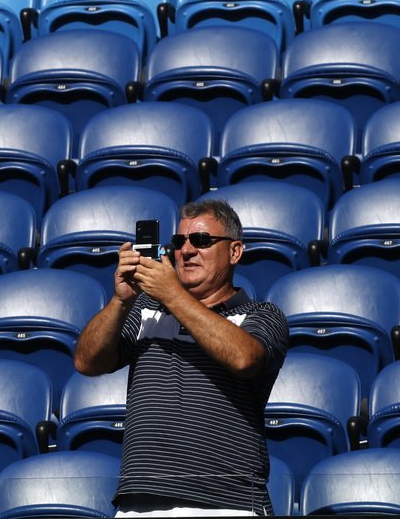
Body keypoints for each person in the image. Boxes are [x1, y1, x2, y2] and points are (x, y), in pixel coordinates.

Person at [74, 198, 289, 517]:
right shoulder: (145, 308)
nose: (186, 250)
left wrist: (172, 294)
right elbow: (87, 362)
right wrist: (121, 301)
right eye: (179, 241)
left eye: (201, 240)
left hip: (226, 503)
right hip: (139, 504)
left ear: (235, 252)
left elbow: (245, 358)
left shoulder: (262, 315)